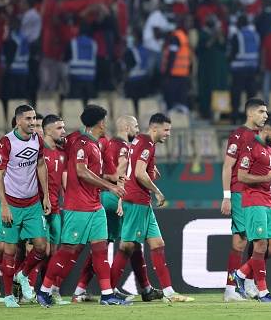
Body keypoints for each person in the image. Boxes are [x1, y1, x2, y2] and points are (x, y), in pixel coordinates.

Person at [37, 105, 128, 307]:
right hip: (77, 207)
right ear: (100, 123)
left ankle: (106, 294)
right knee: (67, 250)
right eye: (105, 120)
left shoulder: (92, 143)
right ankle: (44, 291)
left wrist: (111, 181)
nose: (107, 124)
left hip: (95, 206)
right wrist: (110, 187)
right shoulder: (82, 143)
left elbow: (87, 168)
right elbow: (81, 171)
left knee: (100, 249)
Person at [72, 115, 162, 303]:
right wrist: (121, 197)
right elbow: (121, 173)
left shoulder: (107, 143)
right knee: (116, 245)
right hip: (115, 197)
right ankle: (98, 291)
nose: (138, 131)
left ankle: (145, 288)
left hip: (105, 196)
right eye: (136, 127)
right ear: (127, 127)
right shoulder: (123, 147)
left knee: (130, 243)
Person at [109, 113, 194, 303]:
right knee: (127, 246)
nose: (168, 134)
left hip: (139, 201)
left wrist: (148, 171)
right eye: (166, 130)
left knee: (157, 244)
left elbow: (130, 167)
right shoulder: (146, 143)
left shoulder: (139, 140)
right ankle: (109, 292)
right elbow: (138, 173)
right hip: (137, 200)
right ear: (154, 128)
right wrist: (157, 191)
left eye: (170, 130)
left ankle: (169, 292)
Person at [0, 105, 51, 307]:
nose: (32, 122)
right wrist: (3, 205)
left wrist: (45, 195)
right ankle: (9, 295)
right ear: (18, 121)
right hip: (12, 203)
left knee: (41, 247)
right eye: (28, 119)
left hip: (33, 203)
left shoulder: (37, 140)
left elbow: (41, 164)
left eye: (34, 118)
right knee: (9, 251)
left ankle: (22, 274)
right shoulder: (7, 142)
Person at [233, 115, 271, 302]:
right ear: (266, 129)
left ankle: (241, 274)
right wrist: (267, 178)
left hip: (268, 200)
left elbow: (266, 176)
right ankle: (264, 292)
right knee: (260, 245)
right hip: (253, 200)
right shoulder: (250, 147)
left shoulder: (269, 149)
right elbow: (242, 176)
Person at [220, 98, 268, 302]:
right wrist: (226, 196)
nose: (265, 115)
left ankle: (247, 283)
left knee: (259, 241)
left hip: (257, 194)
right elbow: (227, 167)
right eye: (261, 111)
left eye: (266, 112)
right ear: (250, 113)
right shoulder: (239, 135)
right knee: (240, 241)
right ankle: (231, 289)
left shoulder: (262, 137)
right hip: (240, 192)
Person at [37, 114, 69, 304]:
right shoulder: (38, 151)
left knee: (54, 252)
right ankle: (23, 289)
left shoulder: (61, 152)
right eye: (59, 128)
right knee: (40, 250)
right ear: (47, 130)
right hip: (38, 208)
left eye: (63, 127)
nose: (63, 131)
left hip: (56, 208)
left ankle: (49, 291)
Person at [228, 15, 260, 124]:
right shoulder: (255, 35)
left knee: (236, 94)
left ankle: (235, 117)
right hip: (252, 69)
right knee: (251, 95)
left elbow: (232, 53)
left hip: (239, 70)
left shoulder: (237, 35)